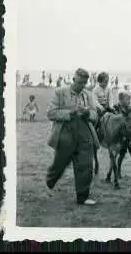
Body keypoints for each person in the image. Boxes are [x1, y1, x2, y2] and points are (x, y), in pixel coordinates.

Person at [45, 68, 100, 205]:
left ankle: (83, 197)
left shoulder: (88, 95)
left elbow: (95, 115)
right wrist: (71, 113)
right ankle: (51, 178)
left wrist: (88, 114)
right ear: (73, 79)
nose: (81, 86)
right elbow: (51, 113)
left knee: (86, 165)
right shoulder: (60, 92)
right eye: (79, 82)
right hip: (65, 134)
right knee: (60, 163)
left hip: (85, 134)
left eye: (84, 83)